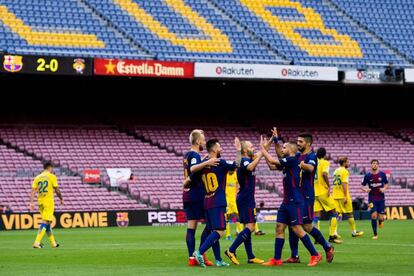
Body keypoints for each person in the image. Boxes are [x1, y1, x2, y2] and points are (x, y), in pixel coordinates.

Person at [260, 136, 322, 267]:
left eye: (284, 148)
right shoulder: (288, 162)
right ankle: (277, 259)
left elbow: (272, 159)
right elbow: (271, 165)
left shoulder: (292, 160)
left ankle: (315, 254)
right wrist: (268, 149)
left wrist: (262, 149)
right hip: (287, 200)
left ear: (291, 150)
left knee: (297, 228)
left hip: (295, 200)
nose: (282, 150)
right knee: (279, 227)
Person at [283, 133, 334, 264]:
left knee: (306, 226)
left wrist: (300, 164)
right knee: (292, 224)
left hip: (306, 195)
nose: (298, 143)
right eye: (297, 141)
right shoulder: (297, 155)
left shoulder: (312, 156)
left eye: (300, 141)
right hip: (295, 195)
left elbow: (310, 168)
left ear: (308, 143)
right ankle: (294, 255)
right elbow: (282, 157)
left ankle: (327, 247)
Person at [193, 139, 236, 268]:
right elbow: (236, 164)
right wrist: (239, 150)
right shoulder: (220, 162)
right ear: (214, 150)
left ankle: (218, 260)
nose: (221, 149)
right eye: (219, 146)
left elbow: (192, 172)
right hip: (217, 201)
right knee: (220, 231)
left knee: (213, 231)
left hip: (207, 201)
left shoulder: (202, 165)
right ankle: (199, 252)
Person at [225, 139, 265, 265]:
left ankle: (251, 257)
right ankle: (231, 250)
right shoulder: (245, 160)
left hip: (245, 197)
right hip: (246, 198)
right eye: (251, 146)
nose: (254, 148)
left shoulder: (248, 158)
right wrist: (261, 154)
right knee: (251, 227)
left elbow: (261, 153)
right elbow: (251, 166)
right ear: (246, 150)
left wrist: (268, 144)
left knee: (248, 226)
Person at [183, 129, 218, 266]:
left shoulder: (187, 155)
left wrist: (203, 160)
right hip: (197, 194)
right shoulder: (194, 155)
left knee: (191, 226)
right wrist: (206, 163)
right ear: (198, 141)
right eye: (203, 139)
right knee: (211, 224)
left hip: (187, 194)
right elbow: (193, 169)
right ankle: (202, 254)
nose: (204, 142)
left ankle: (192, 258)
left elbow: (192, 169)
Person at [29, 162, 63, 248]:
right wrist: (61, 199)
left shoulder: (37, 177)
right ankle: (37, 242)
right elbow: (57, 190)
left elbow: (33, 191)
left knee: (47, 222)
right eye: (52, 169)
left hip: (40, 202)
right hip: (48, 201)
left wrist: (31, 203)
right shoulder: (52, 176)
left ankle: (53, 243)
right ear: (50, 168)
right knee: (46, 221)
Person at [313, 147, 341, 244]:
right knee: (334, 212)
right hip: (322, 191)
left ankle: (317, 237)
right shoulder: (325, 162)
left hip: (314, 192)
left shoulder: (314, 162)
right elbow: (324, 174)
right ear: (324, 155)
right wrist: (329, 186)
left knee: (316, 215)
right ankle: (332, 236)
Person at [332, 157, 364, 238]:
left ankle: (334, 233)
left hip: (335, 195)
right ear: (344, 163)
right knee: (349, 213)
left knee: (336, 214)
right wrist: (345, 196)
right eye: (348, 162)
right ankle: (354, 232)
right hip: (343, 196)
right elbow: (344, 184)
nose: (349, 163)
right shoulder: (345, 171)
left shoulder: (336, 170)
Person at [361, 160, 388, 240]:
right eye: (373, 163)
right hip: (372, 198)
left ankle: (381, 221)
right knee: (373, 215)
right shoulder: (367, 176)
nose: (375, 165)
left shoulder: (382, 174)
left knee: (380, 217)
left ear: (378, 165)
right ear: (371, 165)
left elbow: (386, 183)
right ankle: (375, 234)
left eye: (376, 163)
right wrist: (365, 189)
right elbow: (362, 186)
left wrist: (384, 188)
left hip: (381, 198)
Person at [225, 170, 243, 241]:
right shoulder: (225, 174)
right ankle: (228, 234)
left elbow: (238, 184)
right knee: (228, 217)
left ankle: (240, 231)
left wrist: (237, 194)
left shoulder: (236, 174)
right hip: (227, 199)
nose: (231, 171)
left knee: (237, 216)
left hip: (234, 199)